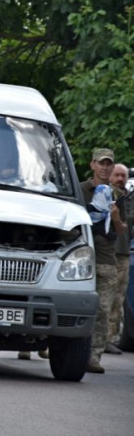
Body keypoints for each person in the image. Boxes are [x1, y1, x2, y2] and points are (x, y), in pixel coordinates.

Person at [80, 148, 125, 373]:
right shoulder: (81, 190)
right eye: (101, 163)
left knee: (103, 310)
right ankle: (63, 347)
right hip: (81, 257)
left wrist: (116, 217)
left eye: (109, 163)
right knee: (76, 305)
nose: (105, 167)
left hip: (107, 258)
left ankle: (93, 357)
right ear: (93, 165)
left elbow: (124, 230)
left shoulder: (118, 194)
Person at [109, 163, 133, 352]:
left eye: (123, 176)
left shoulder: (130, 199)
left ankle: (109, 339)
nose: (120, 179)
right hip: (106, 252)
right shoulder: (103, 194)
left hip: (124, 254)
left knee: (118, 298)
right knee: (103, 298)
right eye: (117, 175)